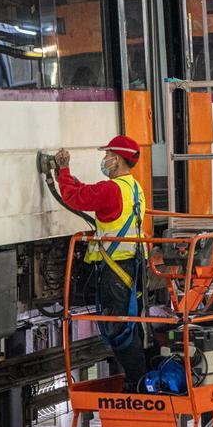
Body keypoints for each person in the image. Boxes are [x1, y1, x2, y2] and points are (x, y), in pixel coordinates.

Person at [55, 136, 148, 391]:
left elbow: (75, 198)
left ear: (116, 159)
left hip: (116, 271)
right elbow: (88, 192)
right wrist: (70, 178)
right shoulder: (133, 188)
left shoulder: (110, 189)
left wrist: (63, 170)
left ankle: (137, 384)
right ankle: (141, 379)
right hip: (134, 267)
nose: (104, 160)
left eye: (107, 155)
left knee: (119, 329)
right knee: (131, 325)